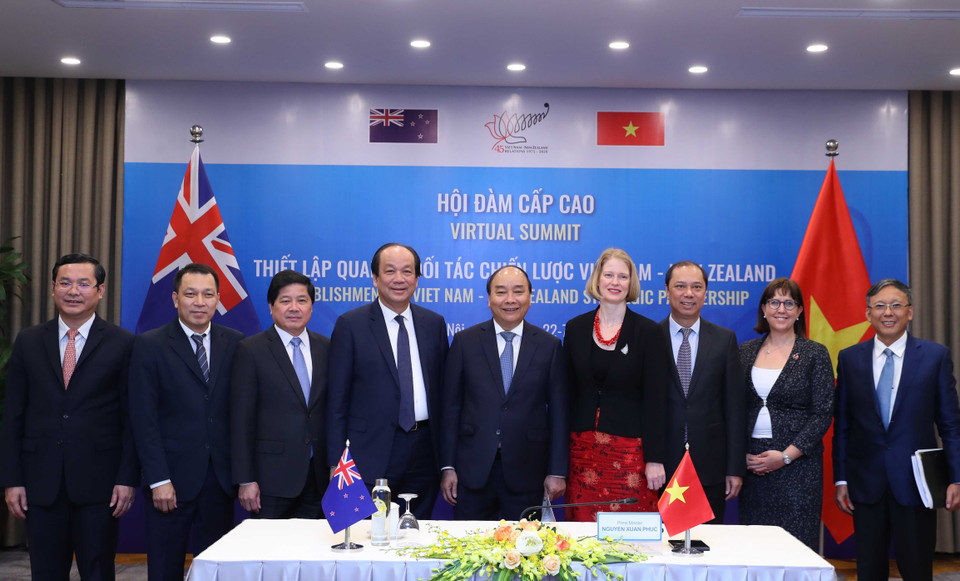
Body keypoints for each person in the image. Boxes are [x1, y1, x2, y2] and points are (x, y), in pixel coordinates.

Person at [0, 253, 138, 581]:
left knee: (98, 571)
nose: (72, 290)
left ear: (100, 291)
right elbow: (13, 415)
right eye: (64, 283)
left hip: (100, 483)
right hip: (40, 481)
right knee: (46, 572)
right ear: (52, 288)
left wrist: (127, 477)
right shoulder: (29, 341)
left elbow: (132, 417)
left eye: (83, 283)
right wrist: (12, 479)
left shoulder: (123, 343)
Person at [834, 279, 960, 581]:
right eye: (879, 306)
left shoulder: (934, 357)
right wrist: (841, 478)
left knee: (917, 570)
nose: (887, 312)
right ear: (868, 314)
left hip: (916, 484)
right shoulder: (850, 359)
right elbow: (843, 425)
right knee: (869, 571)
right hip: (866, 485)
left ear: (910, 312)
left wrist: (956, 477)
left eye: (896, 305)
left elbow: (950, 424)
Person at [128, 263, 244, 580]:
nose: (199, 302)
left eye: (208, 294)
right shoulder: (150, 345)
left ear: (218, 299)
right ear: (175, 298)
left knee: (215, 570)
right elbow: (143, 418)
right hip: (170, 481)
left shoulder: (236, 343)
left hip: (219, 480)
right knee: (165, 569)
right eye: (190, 294)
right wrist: (158, 479)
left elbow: (241, 413)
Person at [326, 243, 448, 519]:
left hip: (424, 451)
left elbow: (444, 395)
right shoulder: (351, 325)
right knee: (368, 535)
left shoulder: (434, 324)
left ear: (417, 279)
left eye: (407, 271)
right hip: (370, 452)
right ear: (375, 278)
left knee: (415, 537)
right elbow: (336, 400)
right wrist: (335, 460)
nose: (399, 279)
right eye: (390, 271)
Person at [440, 265, 568, 520]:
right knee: (470, 550)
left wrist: (557, 470)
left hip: (527, 471)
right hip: (472, 470)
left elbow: (559, 413)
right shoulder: (465, 342)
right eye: (501, 292)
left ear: (530, 297)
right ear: (489, 299)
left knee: (524, 554)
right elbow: (450, 408)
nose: (510, 300)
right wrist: (447, 466)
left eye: (518, 292)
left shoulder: (549, 346)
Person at [563, 248, 672, 521]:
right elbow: (566, 396)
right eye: (608, 274)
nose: (615, 282)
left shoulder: (649, 332)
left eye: (622, 276)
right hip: (581, 452)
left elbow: (656, 401)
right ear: (597, 280)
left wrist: (655, 459)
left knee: (630, 537)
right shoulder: (575, 328)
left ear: (631, 283)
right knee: (582, 537)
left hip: (630, 454)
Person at [737, 278, 833, 550]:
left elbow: (822, 413)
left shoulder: (815, 354)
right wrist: (740, 454)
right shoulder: (744, 352)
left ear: (800, 311)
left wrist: (787, 456)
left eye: (789, 303)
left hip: (798, 469)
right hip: (753, 466)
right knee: (754, 549)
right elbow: (734, 408)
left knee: (795, 550)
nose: (782, 309)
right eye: (774, 302)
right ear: (764, 309)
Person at [231, 270, 329, 518]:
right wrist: (245, 479)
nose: (294, 307)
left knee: (313, 553)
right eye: (285, 300)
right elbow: (241, 420)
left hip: (318, 479)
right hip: (270, 480)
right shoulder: (251, 350)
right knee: (270, 554)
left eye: (302, 300)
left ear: (311, 307)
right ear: (271, 306)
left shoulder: (327, 348)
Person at [659, 260, 745, 522]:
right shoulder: (650, 336)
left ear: (705, 292)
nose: (689, 293)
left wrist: (735, 468)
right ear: (667, 291)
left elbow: (734, 408)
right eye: (680, 286)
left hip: (710, 466)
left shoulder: (724, 339)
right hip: (660, 467)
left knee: (708, 549)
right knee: (659, 550)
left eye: (697, 287)